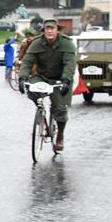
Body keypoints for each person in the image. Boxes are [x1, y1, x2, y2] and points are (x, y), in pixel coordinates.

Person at [18, 18, 76, 151]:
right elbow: (27, 61)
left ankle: (60, 136)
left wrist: (66, 80)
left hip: (60, 78)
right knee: (31, 90)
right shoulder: (36, 43)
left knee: (60, 109)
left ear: (57, 30)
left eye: (52, 28)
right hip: (42, 76)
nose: (49, 31)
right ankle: (41, 115)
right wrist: (22, 78)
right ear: (43, 31)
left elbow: (69, 64)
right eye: (46, 29)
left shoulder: (66, 43)